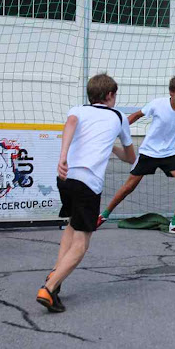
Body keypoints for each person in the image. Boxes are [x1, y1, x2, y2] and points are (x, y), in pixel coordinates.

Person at [37, 73, 136, 312]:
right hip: (87, 183)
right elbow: (130, 157)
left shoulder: (78, 109)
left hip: (65, 177)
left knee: (72, 226)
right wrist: (115, 147)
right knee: (82, 243)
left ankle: (56, 275)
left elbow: (70, 125)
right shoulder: (118, 116)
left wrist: (62, 157)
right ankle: (48, 289)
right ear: (110, 95)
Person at [97, 76, 175, 235]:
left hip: (169, 152)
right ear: (171, 92)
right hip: (149, 152)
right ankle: (103, 216)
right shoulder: (158, 104)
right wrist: (118, 128)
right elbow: (137, 115)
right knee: (128, 187)